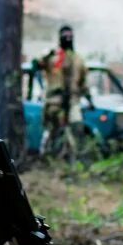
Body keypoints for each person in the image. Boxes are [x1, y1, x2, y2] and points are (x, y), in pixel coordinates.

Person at [35, 25, 91, 156]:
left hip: (72, 100)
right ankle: (47, 153)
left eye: (70, 36)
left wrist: (89, 98)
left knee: (77, 126)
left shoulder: (78, 59)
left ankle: (75, 155)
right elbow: (37, 64)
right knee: (53, 129)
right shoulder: (53, 56)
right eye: (65, 36)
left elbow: (83, 82)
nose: (67, 38)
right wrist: (47, 55)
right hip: (55, 100)